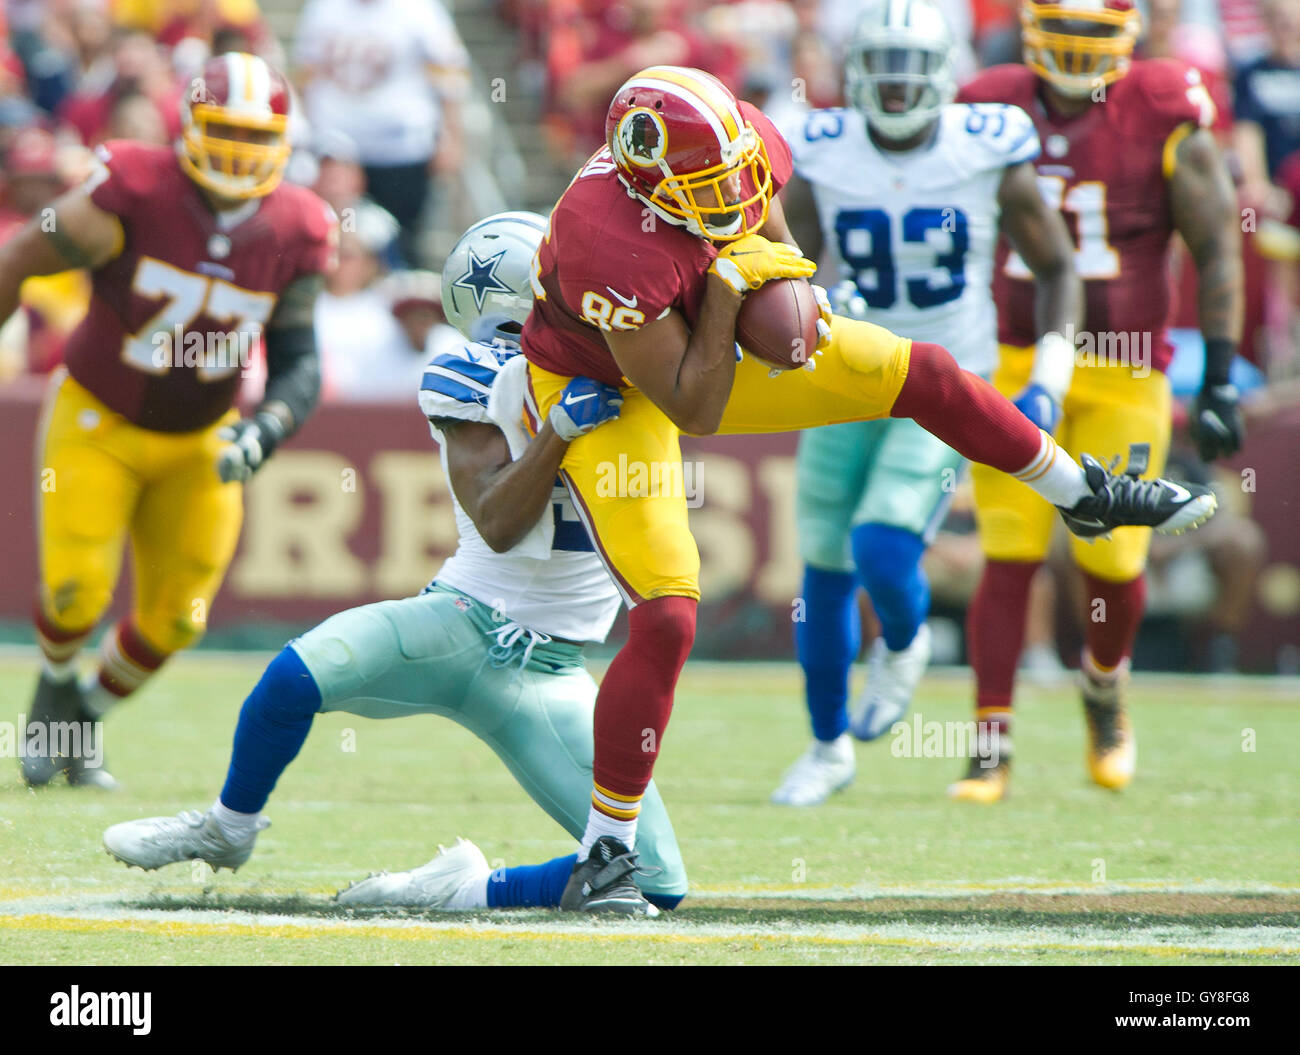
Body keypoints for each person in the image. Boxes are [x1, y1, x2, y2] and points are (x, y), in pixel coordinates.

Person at [519, 63, 1218, 915]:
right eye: (710, 188)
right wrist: (731, 293)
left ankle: (1082, 489)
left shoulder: (737, 142)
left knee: (922, 369)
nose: (734, 195)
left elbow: (761, 208)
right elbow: (691, 406)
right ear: (650, 181)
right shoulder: (603, 241)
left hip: (698, 323)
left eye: (736, 174)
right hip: (612, 384)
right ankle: (606, 850)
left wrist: (781, 273)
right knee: (667, 612)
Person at [101, 212, 688, 917]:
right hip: (464, 623)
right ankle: (227, 827)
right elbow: (500, 524)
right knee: (292, 677)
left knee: (651, 881)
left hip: (554, 669)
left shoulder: (642, 369)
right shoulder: (475, 376)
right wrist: (558, 431)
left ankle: (464, 888)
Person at [769, 0, 1081, 807]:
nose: (897, 88)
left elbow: (1057, 268)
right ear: (856, 73)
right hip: (843, 370)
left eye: (912, 71)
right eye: (883, 69)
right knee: (825, 564)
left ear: (943, 75)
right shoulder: (823, 147)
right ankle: (827, 744)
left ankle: (905, 642)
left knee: (880, 544)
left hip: (946, 379)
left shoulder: (986, 148)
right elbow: (784, 262)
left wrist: (1048, 375)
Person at [12, 52, 336, 789]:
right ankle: (55, 700)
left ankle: (79, 718)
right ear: (187, 125)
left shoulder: (300, 224)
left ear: (285, 143)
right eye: (224, 129)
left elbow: (299, 357)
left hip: (202, 439)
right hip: (99, 415)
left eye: (256, 136)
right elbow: (18, 260)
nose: (237, 150)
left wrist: (267, 428)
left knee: (180, 616)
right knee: (74, 589)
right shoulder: (132, 187)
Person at [949, 0, 1245, 802]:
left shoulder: (1164, 104)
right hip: (1013, 354)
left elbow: (1216, 239)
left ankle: (1105, 688)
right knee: (1008, 552)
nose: (1077, 50)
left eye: (1093, 32)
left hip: (1125, 365)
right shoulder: (986, 100)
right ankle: (989, 741)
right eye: (1064, 30)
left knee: (1113, 558)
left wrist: (1219, 369)